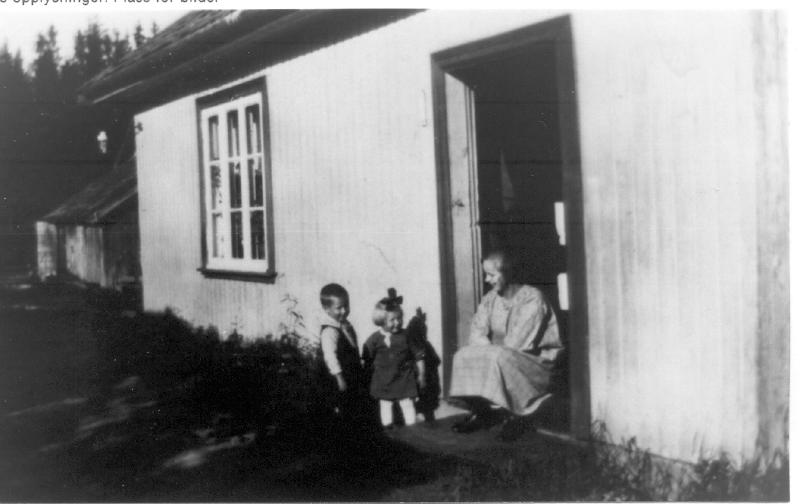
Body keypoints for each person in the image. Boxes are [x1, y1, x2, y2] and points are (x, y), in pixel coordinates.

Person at [449, 250, 564, 441]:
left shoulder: (533, 298)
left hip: (535, 363)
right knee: (462, 355)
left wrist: (488, 351)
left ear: (508, 273)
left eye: (492, 275)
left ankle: (516, 417)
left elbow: (518, 342)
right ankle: (482, 412)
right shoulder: (490, 299)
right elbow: (476, 333)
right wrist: (485, 349)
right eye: (486, 274)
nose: (487, 279)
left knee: (498, 356)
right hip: (502, 355)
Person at [362, 289, 426, 430]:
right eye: (392, 320)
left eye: (400, 318)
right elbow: (367, 358)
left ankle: (412, 430)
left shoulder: (407, 336)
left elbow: (419, 356)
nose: (397, 322)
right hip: (383, 381)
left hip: (404, 380)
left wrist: (422, 375)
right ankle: (388, 430)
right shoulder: (374, 339)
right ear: (381, 321)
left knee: (407, 404)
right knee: (385, 405)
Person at [319, 283, 364, 421]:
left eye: (346, 306)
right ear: (327, 309)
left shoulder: (345, 325)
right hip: (337, 378)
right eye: (339, 308)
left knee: (352, 405)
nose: (344, 311)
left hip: (350, 374)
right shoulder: (330, 331)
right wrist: (339, 377)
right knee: (340, 407)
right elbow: (330, 356)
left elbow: (352, 346)